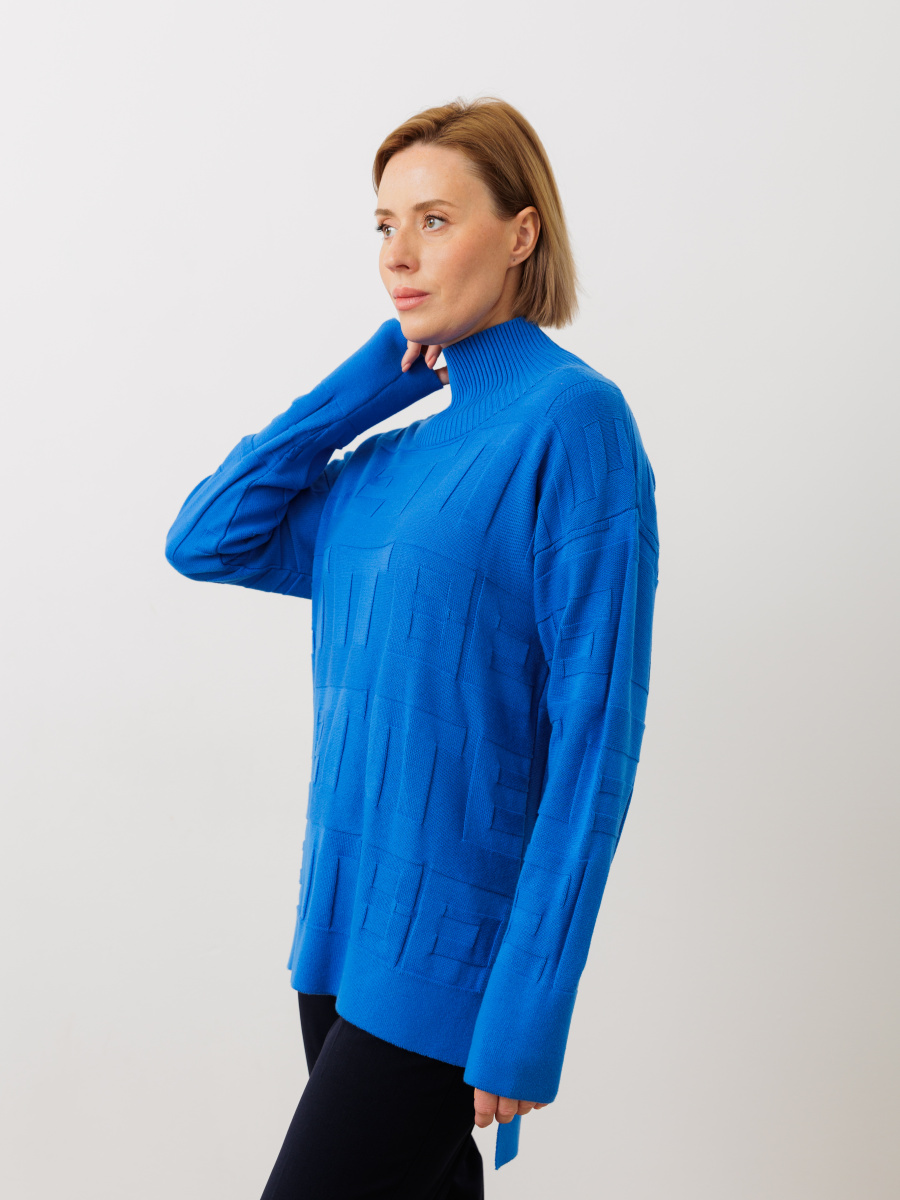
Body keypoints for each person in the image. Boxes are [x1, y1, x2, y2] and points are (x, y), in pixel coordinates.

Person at [165, 95, 660, 1198]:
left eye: (435, 220)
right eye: (385, 225)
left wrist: (531, 1002)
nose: (399, 254)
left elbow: (597, 736)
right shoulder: (390, 462)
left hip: (454, 959)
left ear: (522, 233)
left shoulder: (573, 423)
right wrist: (366, 384)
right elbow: (206, 538)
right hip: (339, 935)